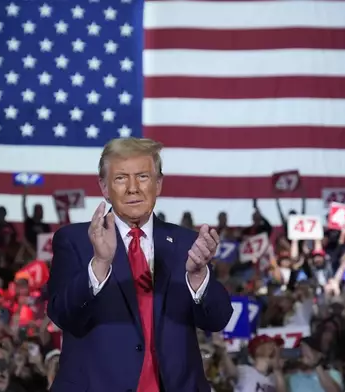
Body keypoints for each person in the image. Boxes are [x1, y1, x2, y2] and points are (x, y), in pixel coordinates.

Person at [47, 137, 233, 392]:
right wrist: (100, 263)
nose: (133, 188)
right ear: (104, 187)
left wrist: (199, 277)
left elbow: (218, 319)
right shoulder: (75, 240)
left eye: (143, 177)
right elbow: (63, 315)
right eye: (121, 178)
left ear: (158, 184)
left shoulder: (187, 243)